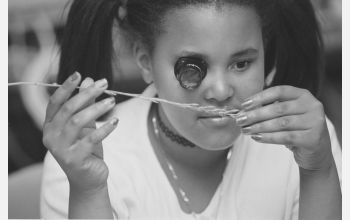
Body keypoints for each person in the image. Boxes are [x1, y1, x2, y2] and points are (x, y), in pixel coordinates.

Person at [40, 0, 342, 219]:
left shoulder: (307, 145)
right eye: (193, 67)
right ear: (145, 62)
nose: (221, 91)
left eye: (242, 63)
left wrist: (318, 170)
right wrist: (89, 192)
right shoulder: (80, 164)